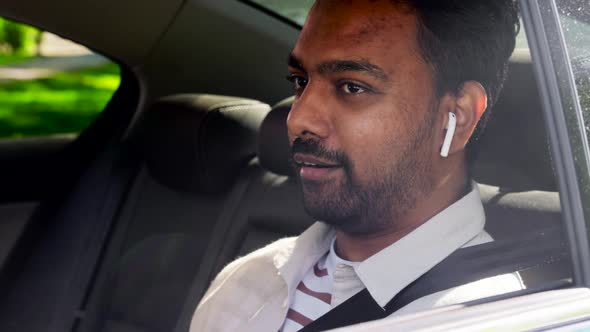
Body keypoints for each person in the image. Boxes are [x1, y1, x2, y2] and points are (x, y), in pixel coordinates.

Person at [191, 1, 521, 331]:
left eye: (353, 87)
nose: (298, 119)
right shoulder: (247, 279)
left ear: (458, 118)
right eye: (300, 81)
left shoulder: (483, 316)